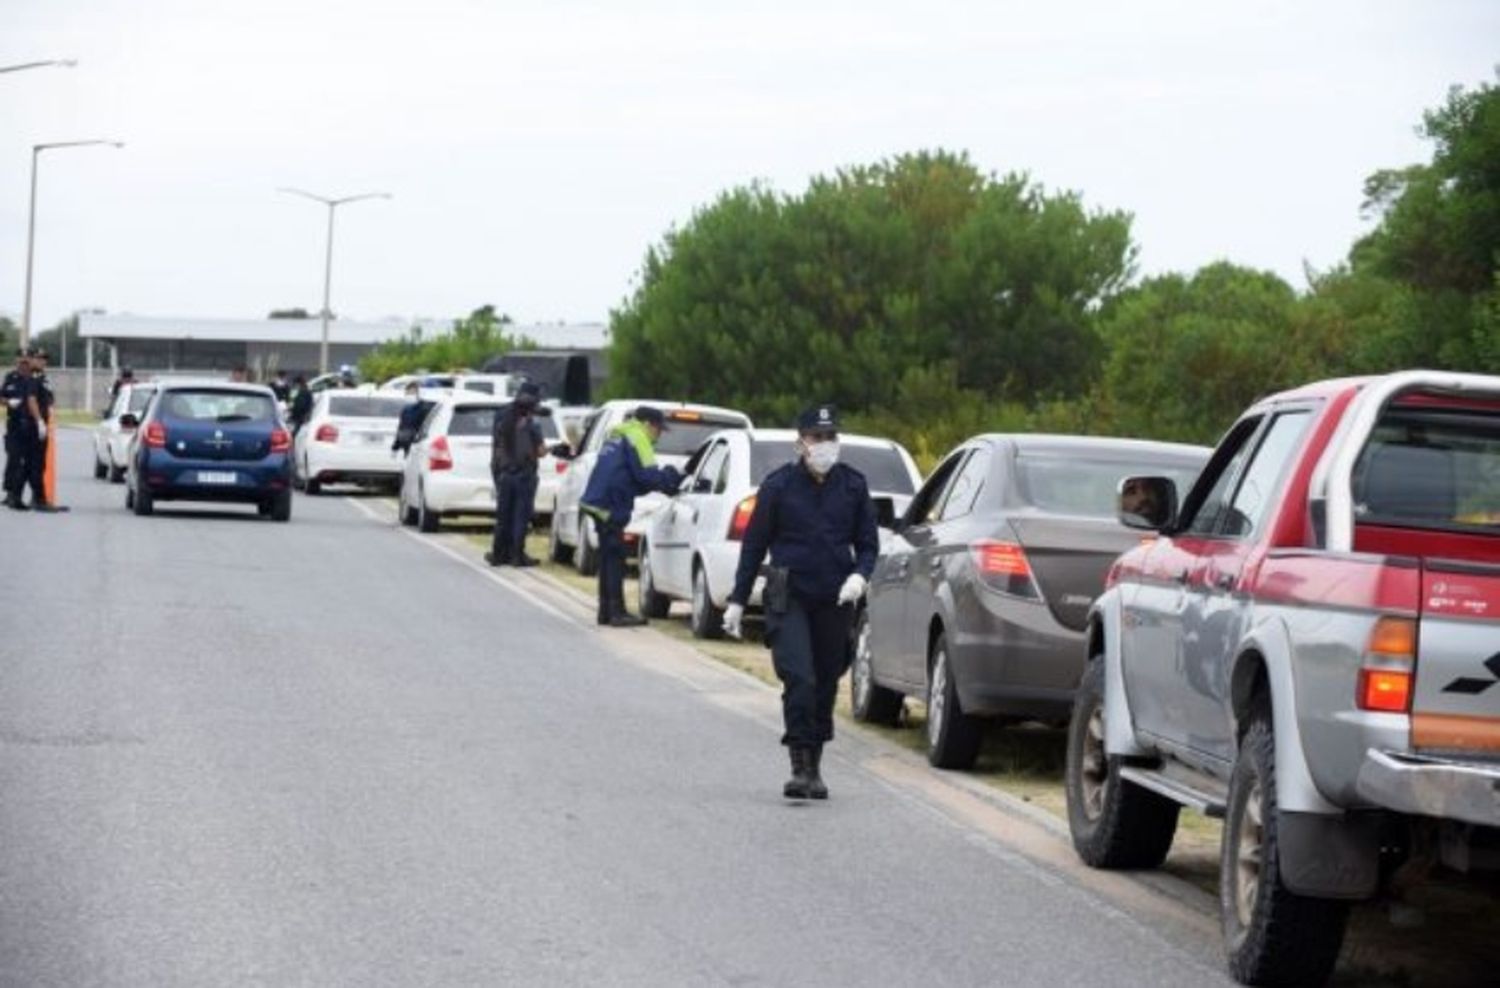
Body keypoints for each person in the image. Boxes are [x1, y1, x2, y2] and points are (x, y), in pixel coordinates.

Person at [724, 404, 879, 800]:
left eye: (830, 437)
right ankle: (798, 765)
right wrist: (738, 601)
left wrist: (860, 576)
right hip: (788, 595)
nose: (825, 445)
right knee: (800, 677)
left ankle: (816, 765)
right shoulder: (778, 486)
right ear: (801, 443)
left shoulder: (853, 486)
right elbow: (754, 545)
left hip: (835, 595)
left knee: (826, 681)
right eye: (817, 438)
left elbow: (867, 544)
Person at [579, 406, 683, 626]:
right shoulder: (638, 437)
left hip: (598, 499)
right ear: (647, 424)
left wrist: (662, 482)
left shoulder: (619, 434)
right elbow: (647, 476)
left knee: (608, 557)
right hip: (611, 503)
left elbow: (630, 477)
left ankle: (606, 611)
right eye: (658, 429)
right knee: (615, 558)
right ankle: (617, 612)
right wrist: (671, 478)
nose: (658, 435)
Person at [485, 381, 548, 568]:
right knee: (521, 516)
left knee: (503, 516)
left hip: (504, 472)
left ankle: (498, 554)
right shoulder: (531, 422)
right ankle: (516, 556)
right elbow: (540, 451)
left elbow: (496, 444)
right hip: (524, 475)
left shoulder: (502, 416)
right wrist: (552, 450)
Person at [20, 348, 56, 511]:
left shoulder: (44, 378)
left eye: (44, 359)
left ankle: (36, 497)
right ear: (32, 360)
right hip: (34, 426)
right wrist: (39, 421)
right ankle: (38, 499)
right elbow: (32, 400)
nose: (42, 361)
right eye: (39, 358)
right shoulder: (33, 378)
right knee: (35, 463)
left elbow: (47, 400)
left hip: (41, 424)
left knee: (38, 463)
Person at [2, 349, 34, 510]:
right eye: (21, 358)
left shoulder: (34, 378)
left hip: (31, 426)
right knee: (13, 459)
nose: (23, 361)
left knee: (28, 462)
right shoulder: (10, 377)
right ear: (17, 361)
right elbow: (1, 396)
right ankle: (10, 493)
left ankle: (22, 494)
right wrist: (8, 402)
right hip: (14, 425)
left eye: (26, 359)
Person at [391, 381, 429, 457]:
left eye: (412, 393)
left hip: (418, 446)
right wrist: (395, 446)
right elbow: (401, 428)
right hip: (407, 446)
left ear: (418, 394)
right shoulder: (406, 410)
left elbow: (425, 428)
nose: (410, 395)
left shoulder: (424, 409)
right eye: (408, 393)